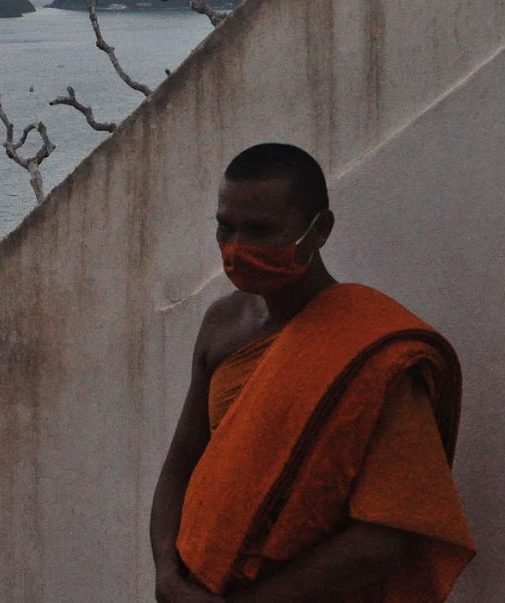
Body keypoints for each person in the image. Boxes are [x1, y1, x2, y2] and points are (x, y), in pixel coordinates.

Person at [150, 143, 475, 603]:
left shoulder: (372, 351)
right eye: (226, 226)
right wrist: (167, 572)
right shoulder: (222, 325)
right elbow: (180, 465)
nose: (238, 247)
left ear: (319, 229)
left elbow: (386, 536)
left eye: (261, 231)